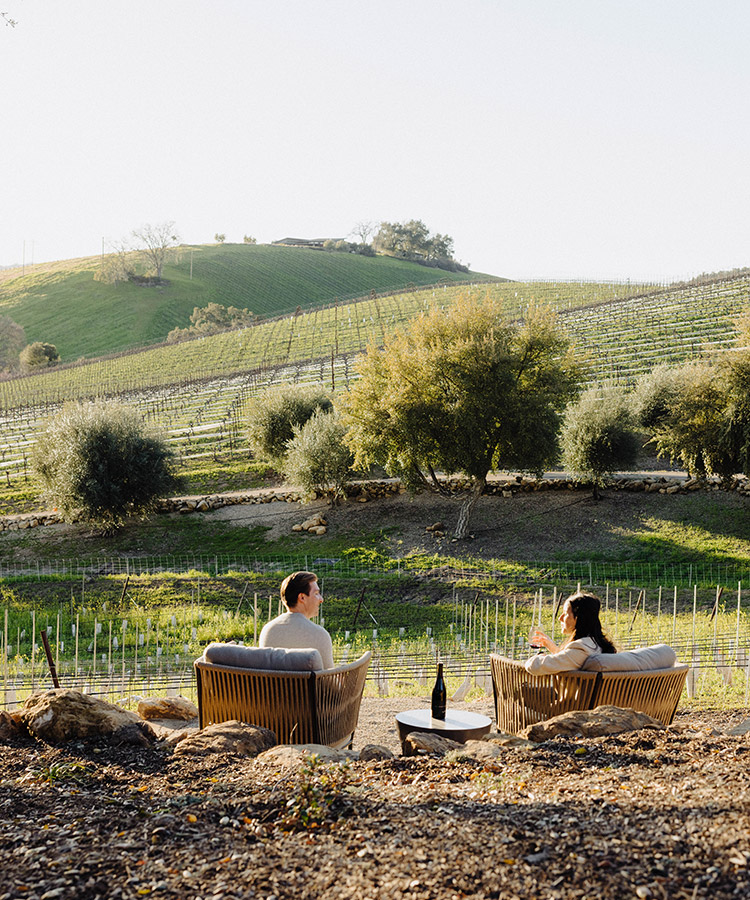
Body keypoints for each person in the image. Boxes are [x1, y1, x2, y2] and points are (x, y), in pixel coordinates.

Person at [525, 591, 616, 674]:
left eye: (565, 613)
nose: (560, 618)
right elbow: (569, 660)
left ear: (578, 619)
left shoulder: (581, 649)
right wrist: (553, 648)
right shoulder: (597, 645)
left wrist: (540, 656)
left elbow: (535, 666)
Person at [259, 570, 334, 669]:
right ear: (302, 597)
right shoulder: (319, 635)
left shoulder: (268, 630)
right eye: (316, 593)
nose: (321, 599)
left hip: (274, 685)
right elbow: (329, 680)